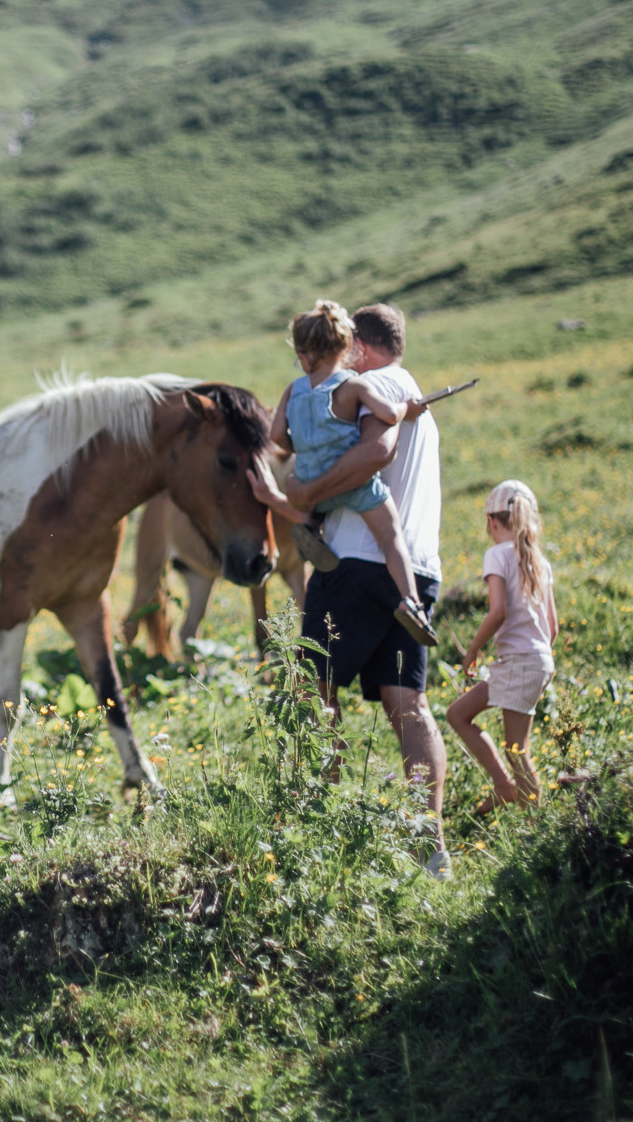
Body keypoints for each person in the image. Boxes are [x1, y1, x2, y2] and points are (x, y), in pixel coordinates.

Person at [250, 302, 451, 878]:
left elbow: (376, 452)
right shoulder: (413, 395)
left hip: (354, 564)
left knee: (314, 691)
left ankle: (316, 829)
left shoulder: (369, 386)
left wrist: (304, 494)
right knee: (409, 704)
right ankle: (431, 846)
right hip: (415, 565)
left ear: (358, 345)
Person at [268, 300, 436, 648]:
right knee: (391, 536)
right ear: (347, 348)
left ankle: (310, 528)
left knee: (310, 501)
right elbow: (388, 414)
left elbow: (277, 435)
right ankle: (411, 602)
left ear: (303, 355)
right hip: (356, 488)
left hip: (314, 488)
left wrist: (301, 444)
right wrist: (408, 409)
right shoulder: (352, 386)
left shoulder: (293, 390)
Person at [445, 480, 560, 815]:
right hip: (534, 660)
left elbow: (498, 612)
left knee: (516, 750)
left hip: (520, 662)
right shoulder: (538, 560)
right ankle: (504, 785)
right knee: (458, 714)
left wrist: (472, 651)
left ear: (492, 522)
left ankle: (535, 826)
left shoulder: (496, 554)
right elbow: (552, 627)